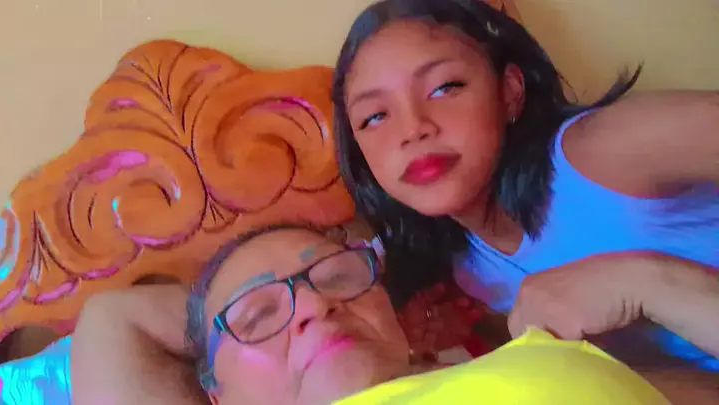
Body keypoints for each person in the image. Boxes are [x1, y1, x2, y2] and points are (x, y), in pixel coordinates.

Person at [332, 0, 719, 369]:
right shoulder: (464, 267)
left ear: (510, 92)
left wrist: (647, 282)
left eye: (445, 87)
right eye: (375, 117)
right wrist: (472, 337)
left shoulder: (603, 150)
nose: (413, 128)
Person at [71, 225, 719, 405]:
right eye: (257, 314)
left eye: (335, 277)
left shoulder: (547, 352)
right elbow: (110, 318)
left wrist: (649, 280)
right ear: (217, 396)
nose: (317, 305)